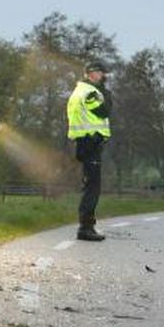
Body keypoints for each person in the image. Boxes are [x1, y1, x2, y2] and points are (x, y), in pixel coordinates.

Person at [65, 61, 111, 241]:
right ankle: (86, 227)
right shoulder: (90, 93)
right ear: (91, 73)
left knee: (89, 185)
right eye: (101, 73)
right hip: (91, 141)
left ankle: (86, 226)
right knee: (92, 188)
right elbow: (105, 111)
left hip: (83, 142)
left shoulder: (77, 92)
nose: (103, 76)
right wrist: (106, 92)